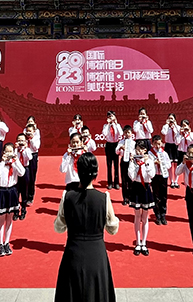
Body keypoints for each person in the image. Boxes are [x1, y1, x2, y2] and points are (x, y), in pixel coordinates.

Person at [54, 152, 119, 302]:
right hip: (97, 255)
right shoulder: (104, 198)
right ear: (96, 173)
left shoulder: (67, 197)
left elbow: (59, 227)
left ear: (77, 170)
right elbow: (113, 229)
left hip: (73, 253)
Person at [0, 143, 24, 256]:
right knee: (2, 219)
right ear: (3, 152)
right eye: (7, 151)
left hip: (12, 191)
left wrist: (15, 161)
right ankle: (0, 243)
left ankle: (7, 242)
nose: (9, 153)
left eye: (11, 151)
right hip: (2, 191)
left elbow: (22, 173)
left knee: (10, 219)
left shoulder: (15, 163)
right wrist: (3, 162)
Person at [127, 143, 155, 256]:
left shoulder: (150, 160)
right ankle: (138, 243)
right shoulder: (134, 161)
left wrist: (146, 162)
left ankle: (144, 243)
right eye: (137, 150)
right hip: (136, 188)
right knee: (137, 216)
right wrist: (131, 162)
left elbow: (152, 175)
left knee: (145, 217)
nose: (139, 152)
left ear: (145, 151)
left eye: (142, 150)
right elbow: (132, 176)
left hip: (146, 188)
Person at [148, 135, 171, 225]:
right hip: (155, 176)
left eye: (159, 144)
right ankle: (157, 214)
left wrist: (162, 163)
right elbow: (148, 164)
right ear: (152, 144)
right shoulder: (150, 153)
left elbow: (169, 165)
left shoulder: (164, 153)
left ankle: (163, 214)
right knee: (156, 196)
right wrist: (154, 163)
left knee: (163, 196)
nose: (157, 146)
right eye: (155, 144)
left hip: (163, 176)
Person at [102, 111, 122, 190]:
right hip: (109, 145)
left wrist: (116, 124)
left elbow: (121, 133)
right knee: (109, 165)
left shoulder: (117, 125)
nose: (111, 118)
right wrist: (108, 124)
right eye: (109, 117)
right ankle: (110, 183)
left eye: (112, 116)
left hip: (116, 144)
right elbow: (104, 134)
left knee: (116, 165)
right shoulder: (105, 126)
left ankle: (116, 182)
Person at [15, 133, 33, 220]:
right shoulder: (15, 150)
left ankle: (23, 209)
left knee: (24, 191)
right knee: (16, 191)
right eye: (19, 140)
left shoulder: (27, 150)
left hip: (25, 169)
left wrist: (25, 148)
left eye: (22, 140)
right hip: (16, 170)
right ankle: (16, 210)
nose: (21, 142)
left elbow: (29, 158)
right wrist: (16, 149)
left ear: (26, 141)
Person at [116, 126, 135, 205]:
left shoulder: (134, 143)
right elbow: (116, 152)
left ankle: (130, 198)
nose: (127, 134)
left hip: (131, 162)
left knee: (130, 180)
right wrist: (120, 148)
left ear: (131, 133)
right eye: (125, 132)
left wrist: (131, 154)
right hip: (123, 161)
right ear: (123, 133)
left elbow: (135, 152)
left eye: (128, 132)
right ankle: (125, 198)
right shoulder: (121, 142)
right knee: (124, 180)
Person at [162, 114, 180, 187]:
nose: (171, 120)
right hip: (168, 146)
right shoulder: (165, 127)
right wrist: (167, 125)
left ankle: (176, 181)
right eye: (169, 118)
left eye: (172, 118)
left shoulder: (177, 127)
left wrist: (175, 125)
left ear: (175, 119)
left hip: (175, 146)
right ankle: (171, 181)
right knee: (169, 164)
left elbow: (179, 133)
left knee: (176, 164)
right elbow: (164, 132)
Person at [25, 123, 40, 206]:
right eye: (27, 131)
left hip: (33, 156)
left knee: (31, 177)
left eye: (30, 131)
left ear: (34, 131)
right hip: (25, 156)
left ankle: (30, 197)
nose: (28, 133)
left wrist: (31, 139)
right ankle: (24, 196)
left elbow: (36, 147)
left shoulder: (36, 138)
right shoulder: (23, 138)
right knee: (24, 177)